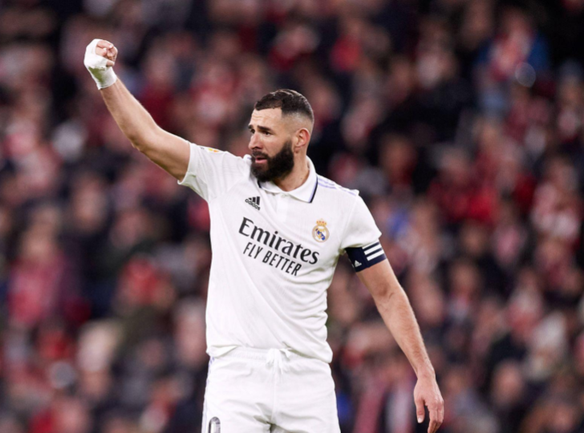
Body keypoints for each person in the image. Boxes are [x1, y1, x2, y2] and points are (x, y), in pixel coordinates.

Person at [84, 39, 444, 433]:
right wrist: (105, 77)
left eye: (266, 133)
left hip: (306, 381)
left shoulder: (343, 207)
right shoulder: (225, 176)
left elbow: (387, 293)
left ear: (300, 139)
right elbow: (147, 137)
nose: (253, 141)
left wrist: (423, 372)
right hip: (237, 375)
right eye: (252, 129)